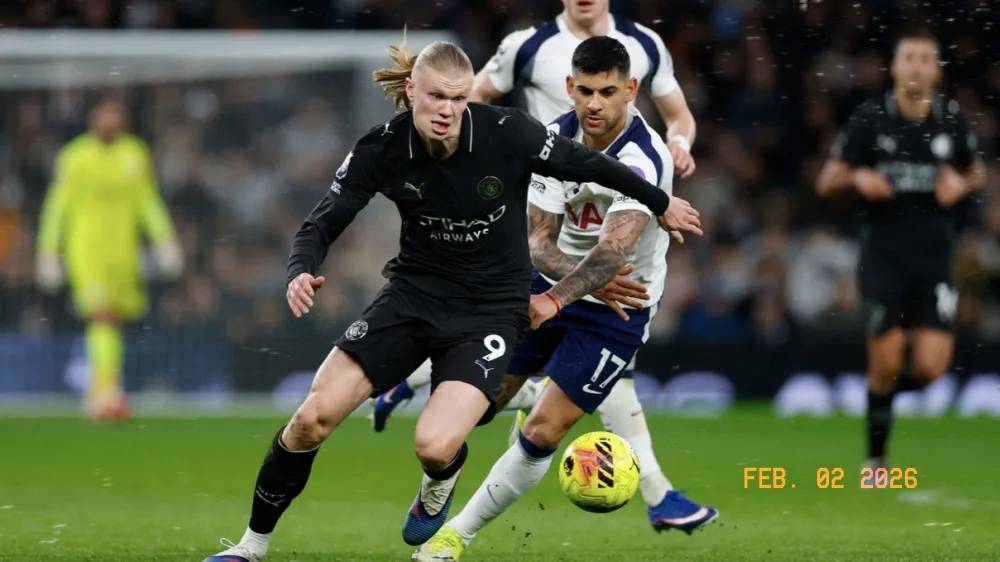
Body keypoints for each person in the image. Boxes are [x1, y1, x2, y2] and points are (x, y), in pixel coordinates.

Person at [205, 40, 701, 562]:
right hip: (412, 295)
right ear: (411, 91)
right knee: (310, 420)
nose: (447, 110)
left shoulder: (506, 132)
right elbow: (322, 221)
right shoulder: (382, 147)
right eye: (437, 97)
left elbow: (586, 163)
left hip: (491, 307)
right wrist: (301, 271)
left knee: (434, 446)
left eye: (459, 99)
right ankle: (250, 546)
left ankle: (442, 476)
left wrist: (660, 201)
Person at [373, 0, 701, 527]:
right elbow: (539, 239)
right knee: (477, 406)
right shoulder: (550, 130)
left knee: (544, 430)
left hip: (617, 308)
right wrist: (564, 287)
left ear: (630, 90)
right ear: (569, 87)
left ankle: (452, 539)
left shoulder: (645, 158)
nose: (594, 104)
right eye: (585, 91)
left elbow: (612, 253)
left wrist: (559, 298)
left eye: (607, 92)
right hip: (551, 283)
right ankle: (444, 472)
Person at [816, 27, 985, 471]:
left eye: (924, 59)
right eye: (908, 57)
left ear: (936, 71)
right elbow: (826, 181)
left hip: (934, 258)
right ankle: (876, 460)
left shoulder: (951, 120)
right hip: (883, 256)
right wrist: (858, 178)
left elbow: (978, 171)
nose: (916, 67)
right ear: (894, 67)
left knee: (931, 369)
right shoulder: (870, 119)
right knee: (887, 360)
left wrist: (962, 184)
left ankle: (878, 397)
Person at [36, 98, 182, 421]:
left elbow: (147, 202)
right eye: (106, 113)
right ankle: (106, 393)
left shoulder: (134, 154)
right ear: (93, 117)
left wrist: (164, 240)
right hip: (86, 252)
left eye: (117, 113)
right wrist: (48, 250)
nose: (111, 119)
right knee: (100, 316)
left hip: (125, 254)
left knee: (114, 320)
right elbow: (58, 206)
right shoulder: (75, 156)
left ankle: (101, 391)